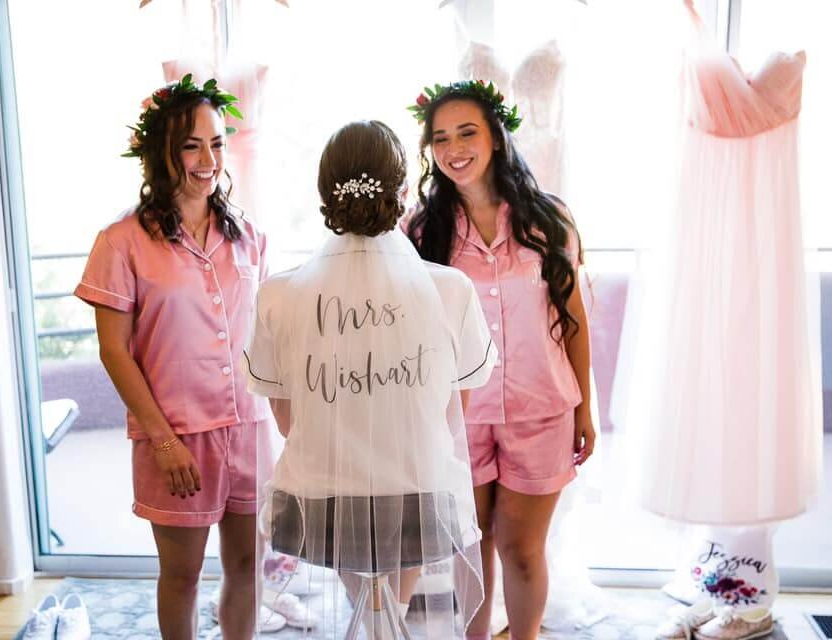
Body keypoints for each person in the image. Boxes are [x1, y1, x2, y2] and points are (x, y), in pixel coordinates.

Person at [242, 120, 495, 638]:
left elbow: (288, 421)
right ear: (403, 192)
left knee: (367, 611)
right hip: (419, 499)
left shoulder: (277, 294)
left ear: (324, 194)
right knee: (389, 616)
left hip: (319, 503)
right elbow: (452, 416)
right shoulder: (450, 290)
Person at [75, 74, 270, 640]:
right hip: (177, 436)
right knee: (181, 577)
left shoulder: (249, 236)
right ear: (160, 152)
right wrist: (163, 441)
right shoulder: (120, 242)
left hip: (250, 429)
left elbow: (266, 337)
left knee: (248, 570)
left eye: (216, 143)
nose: (207, 159)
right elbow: (114, 352)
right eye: (191, 145)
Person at [404, 79, 596, 640]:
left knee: (521, 548)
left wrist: (582, 407)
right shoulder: (420, 231)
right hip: (459, 413)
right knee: (471, 545)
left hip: (543, 408)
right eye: (440, 138)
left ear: (496, 138)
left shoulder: (549, 218)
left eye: (467, 132)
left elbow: (574, 318)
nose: (453, 148)